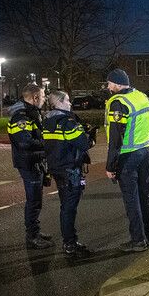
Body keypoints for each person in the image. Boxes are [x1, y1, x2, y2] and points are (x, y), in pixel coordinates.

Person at [104, 69, 149, 252]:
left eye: (109, 83)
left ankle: (138, 240)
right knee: (145, 196)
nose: (108, 87)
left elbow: (116, 138)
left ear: (117, 84)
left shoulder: (119, 103)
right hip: (145, 152)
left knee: (131, 200)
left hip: (128, 156)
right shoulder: (141, 96)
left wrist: (110, 166)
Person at [43, 91, 92, 258]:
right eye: (68, 100)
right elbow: (83, 143)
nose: (70, 104)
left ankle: (70, 240)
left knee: (65, 206)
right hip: (70, 169)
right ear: (60, 102)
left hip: (56, 168)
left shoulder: (47, 121)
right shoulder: (67, 122)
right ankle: (70, 243)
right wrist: (89, 136)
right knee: (69, 208)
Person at [8, 83, 53, 249]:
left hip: (35, 161)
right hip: (28, 163)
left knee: (36, 200)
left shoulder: (31, 113)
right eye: (42, 96)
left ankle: (35, 231)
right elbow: (24, 142)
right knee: (33, 201)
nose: (44, 99)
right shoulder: (21, 116)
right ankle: (32, 236)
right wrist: (47, 144)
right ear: (35, 98)